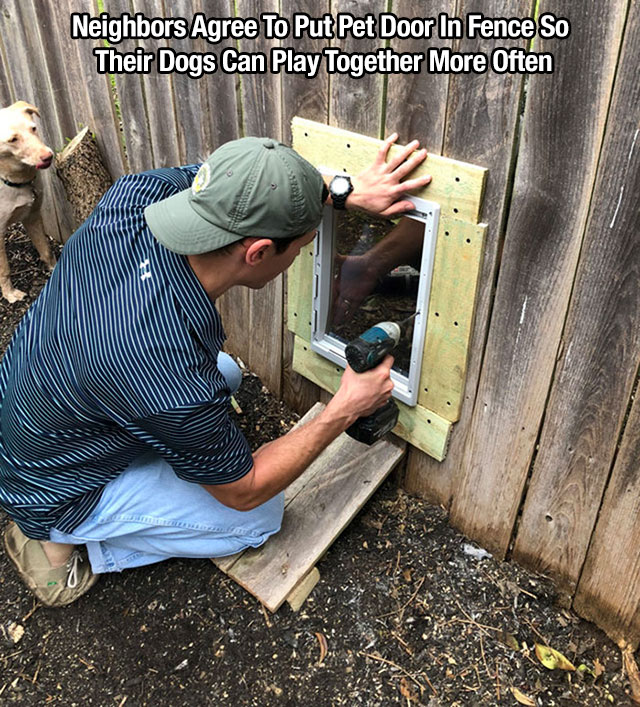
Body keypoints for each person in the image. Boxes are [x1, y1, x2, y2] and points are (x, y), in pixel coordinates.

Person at [0, 133, 431, 607]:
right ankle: (63, 544)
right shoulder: (161, 365)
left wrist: (343, 190)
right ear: (259, 253)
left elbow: (240, 184)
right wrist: (344, 409)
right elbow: (244, 491)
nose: (308, 255)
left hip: (35, 405)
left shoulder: (134, 199)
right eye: (304, 246)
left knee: (222, 373)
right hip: (53, 482)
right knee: (259, 516)